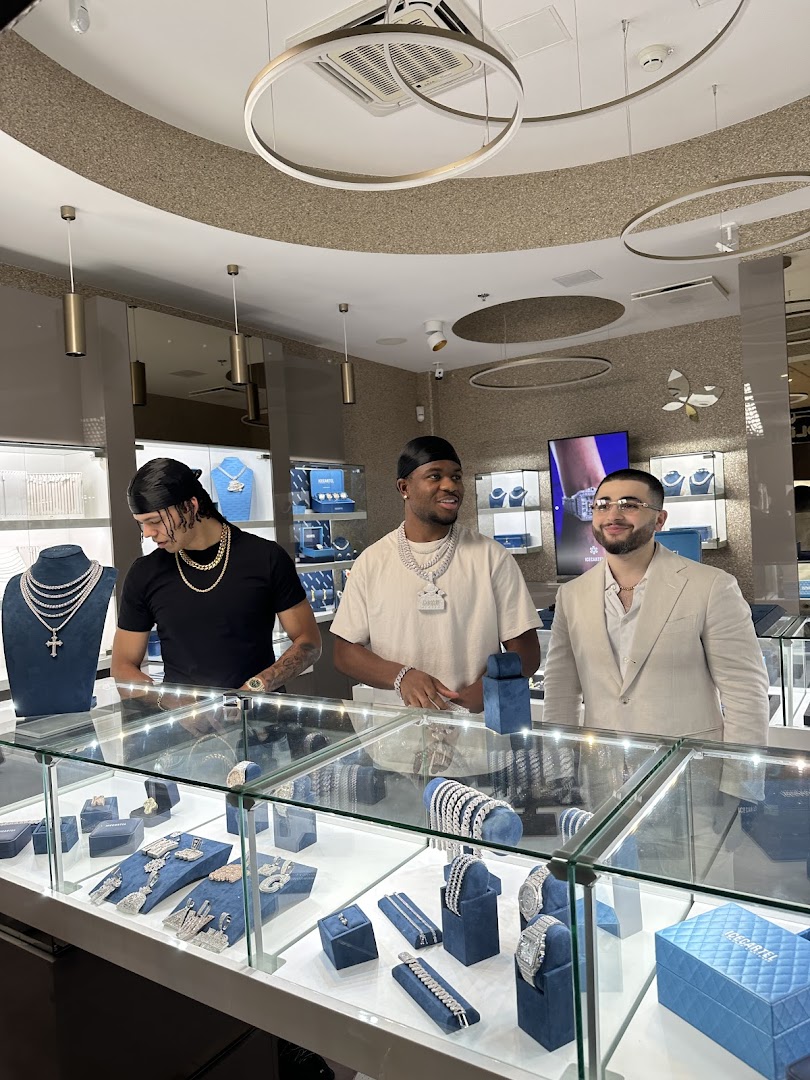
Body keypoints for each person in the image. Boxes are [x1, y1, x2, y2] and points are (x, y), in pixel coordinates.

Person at [542, 467, 769, 744]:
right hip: (601, 762)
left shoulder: (711, 586)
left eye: (629, 505)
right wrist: (561, 762)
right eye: (602, 505)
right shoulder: (571, 595)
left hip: (688, 761)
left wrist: (736, 771)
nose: (613, 515)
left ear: (659, 520)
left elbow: (744, 690)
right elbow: (560, 688)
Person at [331, 436, 541, 711]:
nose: (450, 486)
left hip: (475, 725)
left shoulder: (491, 557)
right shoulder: (372, 562)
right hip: (397, 728)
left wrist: (486, 690)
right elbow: (345, 652)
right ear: (404, 487)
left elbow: (526, 651)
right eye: (435, 476)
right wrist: (401, 676)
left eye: (456, 477)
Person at [111, 457, 321, 691]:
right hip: (181, 713)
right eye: (141, 523)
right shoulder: (145, 572)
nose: (148, 532)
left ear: (190, 506)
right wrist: (166, 701)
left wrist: (256, 687)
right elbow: (122, 665)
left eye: (155, 521)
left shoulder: (266, 557)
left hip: (259, 710)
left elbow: (309, 642)